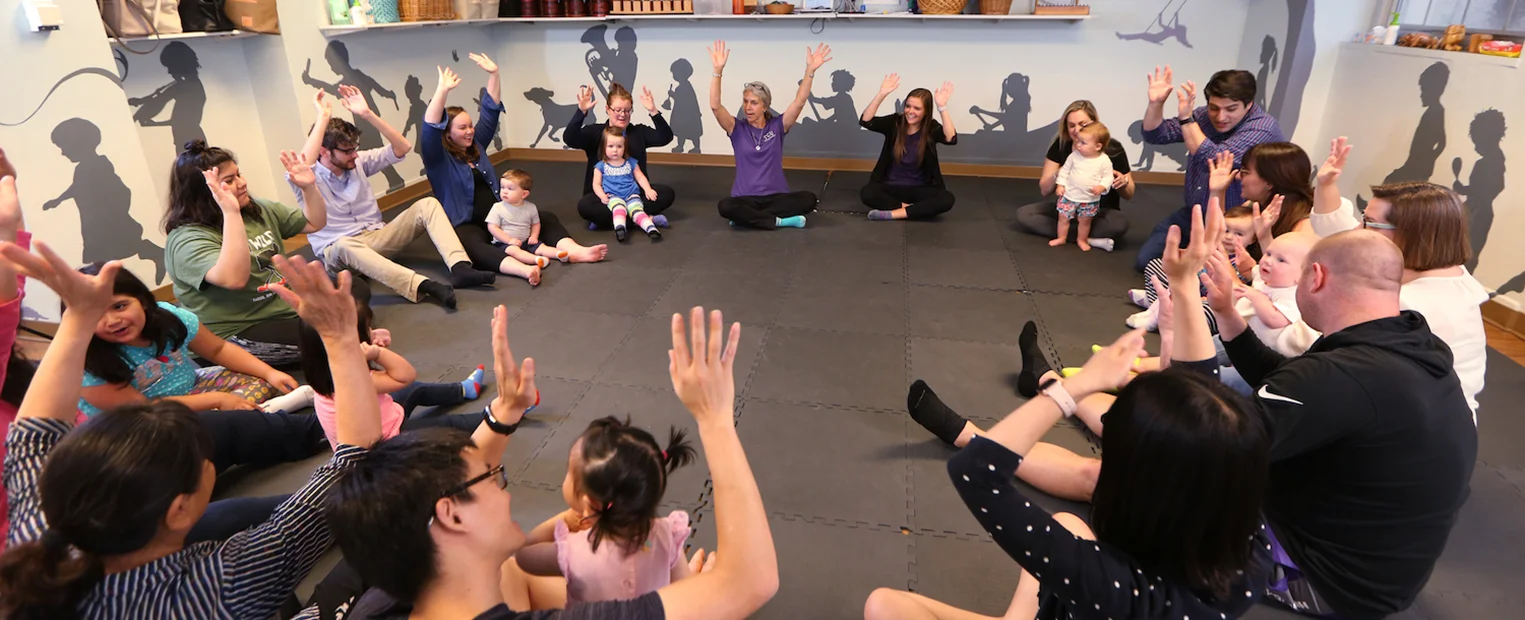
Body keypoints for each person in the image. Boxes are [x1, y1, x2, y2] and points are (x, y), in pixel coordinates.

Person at [318, 306, 779, 619]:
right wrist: (715, 418)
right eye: (493, 479)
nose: (506, 487)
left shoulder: (412, 575)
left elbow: (356, 455)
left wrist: (504, 415)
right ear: (451, 513)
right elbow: (751, 581)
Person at [0, 248, 382, 619]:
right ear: (179, 510)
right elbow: (350, 466)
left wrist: (78, 318)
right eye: (201, 456)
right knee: (362, 557)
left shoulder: (38, 530)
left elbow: (32, 434)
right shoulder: (224, 583)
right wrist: (339, 337)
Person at [869, 328, 1273, 619]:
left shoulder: (1113, 587)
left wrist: (1076, 387)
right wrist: (1184, 289)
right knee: (1067, 523)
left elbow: (976, 472)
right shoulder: (1247, 552)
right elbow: (1205, 427)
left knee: (884, 607)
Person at [1192, 218, 1478, 618]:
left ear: (1317, 277)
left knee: (1161, 485)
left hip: (1324, 583)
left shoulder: (1342, 374)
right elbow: (1286, 379)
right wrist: (1226, 313)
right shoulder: (1409, 339)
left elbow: (1202, 447)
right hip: (1381, 572)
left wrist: (1183, 322)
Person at [1296, 137, 1487, 419]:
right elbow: (1346, 233)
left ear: (1411, 233)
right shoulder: (1441, 268)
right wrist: (1326, 185)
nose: (1360, 229)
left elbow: (1304, 343)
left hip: (1419, 425)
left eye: (1369, 223)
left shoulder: (1411, 306)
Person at [299, 86, 496, 311]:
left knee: (428, 204)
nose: (355, 154)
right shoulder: (307, 176)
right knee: (344, 245)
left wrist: (367, 114)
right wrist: (323, 117)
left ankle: (460, 268)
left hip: (376, 237)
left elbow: (402, 147)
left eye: (355, 148)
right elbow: (302, 164)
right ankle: (422, 285)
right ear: (324, 151)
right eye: (347, 151)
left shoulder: (359, 161)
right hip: (339, 255)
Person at [421, 57, 607, 268]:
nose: (470, 131)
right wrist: (442, 90)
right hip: (469, 224)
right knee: (470, 246)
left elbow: (490, 112)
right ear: (447, 134)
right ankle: (522, 268)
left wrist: (494, 74)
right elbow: (430, 128)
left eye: (470, 125)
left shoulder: (476, 146)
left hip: (502, 216)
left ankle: (575, 252)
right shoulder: (437, 159)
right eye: (462, 128)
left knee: (545, 218)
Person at [163, 141, 328, 366]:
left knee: (353, 295)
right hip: (236, 331)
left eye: (238, 175)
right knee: (331, 337)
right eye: (229, 181)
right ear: (204, 192)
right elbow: (234, 279)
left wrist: (309, 188)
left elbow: (313, 222)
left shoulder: (257, 210)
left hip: (284, 308)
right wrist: (230, 213)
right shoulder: (186, 239)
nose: (242, 183)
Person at [75, 266, 314, 417]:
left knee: (259, 382)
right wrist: (217, 399)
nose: (112, 320)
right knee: (174, 431)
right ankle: (262, 414)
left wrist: (270, 373)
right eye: (95, 314)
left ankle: (241, 416)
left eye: (119, 306)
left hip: (192, 390)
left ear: (143, 301)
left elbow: (218, 349)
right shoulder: (86, 361)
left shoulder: (169, 318)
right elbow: (142, 408)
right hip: (141, 420)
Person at [514, 416, 700, 606]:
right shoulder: (666, 535)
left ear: (590, 504)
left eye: (569, 472)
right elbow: (686, 590)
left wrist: (562, 519)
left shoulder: (573, 553)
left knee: (510, 570)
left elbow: (522, 556)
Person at [1137, 67, 1284, 271]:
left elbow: (1213, 157)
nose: (1220, 117)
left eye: (1231, 109)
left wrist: (1187, 120)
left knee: (1213, 272)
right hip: (1195, 212)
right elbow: (1156, 135)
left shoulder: (1263, 128)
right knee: (1148, 260)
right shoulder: (1204, 116)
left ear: (1248, 105)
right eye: (1214, 107)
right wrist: (1156, 103)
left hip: (1234, 223)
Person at [297, 316, 480, 449]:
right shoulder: (357, 382)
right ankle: (495, 414)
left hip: (382, 424)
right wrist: (377, 352)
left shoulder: (323, 376)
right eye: (368, 328)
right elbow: (406, 375)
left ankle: (463, 390)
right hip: (388, 448)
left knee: (416, 390)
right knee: (450, 424)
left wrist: (370, 335)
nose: (372, 331)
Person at [708, 40, 826, 230]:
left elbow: (800, 101)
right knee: (725, 206)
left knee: (809, 199)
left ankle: (747, 219)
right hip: (744, 198)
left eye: (754, 103)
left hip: (776, 198)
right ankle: (779, 221)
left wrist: (809, 71)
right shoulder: (736, 129)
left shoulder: (778, 126)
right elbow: (715, 106)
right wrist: (717, 71)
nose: (748, 107)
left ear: (765, 106)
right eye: (745, 102)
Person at [1014, 100, 1135, 249]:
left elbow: (1129, 194)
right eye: (1071, 125)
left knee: (1119, 223)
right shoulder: (1061, 145)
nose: (1076, 130)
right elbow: (1044, 190)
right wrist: (1060, 173)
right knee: (1025, 214)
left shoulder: (1112, 150)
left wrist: (1122, 183)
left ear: (1094, 123)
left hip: (1097, 211)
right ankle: (1085, 238)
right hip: (1068, 207)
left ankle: (1072, 235)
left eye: (1082, 124)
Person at [568, 83, 677, 231]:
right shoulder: (595, 133)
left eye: (627, 110)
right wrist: (581, 112)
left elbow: (665, 137)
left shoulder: (638, 132)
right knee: (585, 206)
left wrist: (653, 111)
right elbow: (570, 138)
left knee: (666, 194)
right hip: (605, 197)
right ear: (607, 109)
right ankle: (643, 219)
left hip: (634, 195)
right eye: (618, 110)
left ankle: (610, 220)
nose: (623, 114)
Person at [857, 74, 958, 222]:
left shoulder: (931, 128)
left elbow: (951, 139)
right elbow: (866, 121)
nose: (910, 111)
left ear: (926, 111)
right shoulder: (895, 123)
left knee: (947, 199)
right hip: (891, 186)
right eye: (908, 106)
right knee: (868, 193)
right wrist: (882, 94)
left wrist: (942, 108)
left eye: (917, 108)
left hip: (920, 188)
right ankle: (913, 210)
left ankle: (893, 213)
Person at [487, 169, 568, 286]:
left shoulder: (530, 207)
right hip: (504, 243)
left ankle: (559, 254)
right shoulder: (497, 207)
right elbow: (493, 227)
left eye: (510, 189)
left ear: (524, 194)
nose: (504, 192)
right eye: (502, 187)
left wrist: (534, 236)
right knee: (514, 251)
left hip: (526, 240)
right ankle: (536, 260)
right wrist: (509, 240)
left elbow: (535, 224)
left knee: (541, 246)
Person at [1049, 122, 1116, 251]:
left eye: (1083, 143)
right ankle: (1061, 238)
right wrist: (1060, 185)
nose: (1078, 145)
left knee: (1085, 221)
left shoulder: (1104, 160)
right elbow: (1064, 171)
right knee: (1063, 218)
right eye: (1078, 141)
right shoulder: (1074, 156)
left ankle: (1081, 239)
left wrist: (1102, 186)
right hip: (1069, 196)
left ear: (1098, 146)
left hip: (1089, 200)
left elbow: (1108, 177)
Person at [592, 127, 663, 242]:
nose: (615, 150)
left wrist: (648, 189)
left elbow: (640, 177)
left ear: (624, 147)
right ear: (603, 147)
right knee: (619, 209)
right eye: (611, 146)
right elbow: (596, 184)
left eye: (619, 146)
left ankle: (651, 229)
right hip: (613, 196)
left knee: (637, 210)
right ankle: (620, 229)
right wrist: (601, 195)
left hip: (631, 194)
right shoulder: (601, 166)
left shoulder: (631, 162)